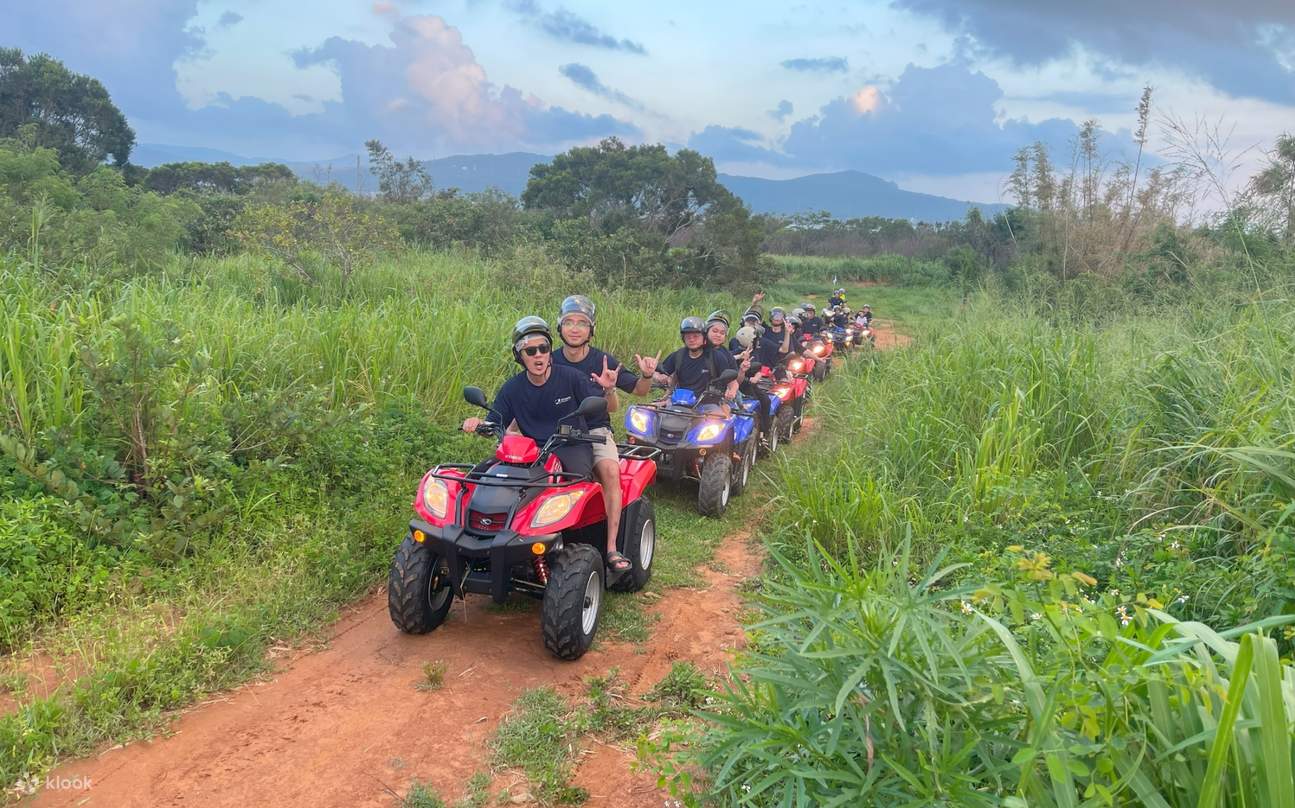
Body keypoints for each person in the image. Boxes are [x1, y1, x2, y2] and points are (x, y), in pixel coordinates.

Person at [461, 316, 625, 573]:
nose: (538, 356)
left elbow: (601, 408)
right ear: (520, 356)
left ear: (549, 351)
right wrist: (476, 424)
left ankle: (601, 547)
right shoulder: (512, 388)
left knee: (576, 485)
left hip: (571, 443)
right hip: (531, 450)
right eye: (530, 351)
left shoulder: (571, 377)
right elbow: (494, 422)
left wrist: (607, 390)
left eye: (543, 349)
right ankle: (482, 538)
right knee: (481, 477)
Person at [551, 295, 653, 577]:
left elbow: (640, 391)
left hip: (593, 431)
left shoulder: (603, 361)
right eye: (569, 322)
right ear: (560, 326)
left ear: (591, 329)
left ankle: (610, 547)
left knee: (609, 470)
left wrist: (645, 376)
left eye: (582, 323)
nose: (574, 328)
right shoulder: (547, 359)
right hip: (552, 431)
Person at [652, 316, 739, 407]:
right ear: (683, 338)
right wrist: (658, 376)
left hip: (708, 405)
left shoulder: (716, 356)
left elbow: (732, 382)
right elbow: (658, 372)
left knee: (718, 417)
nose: (692, 339)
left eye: (696, 336)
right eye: (688, 337)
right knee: (647, 412)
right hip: (678, 403)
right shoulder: (678, 355)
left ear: (704, 337)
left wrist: (732, 391)